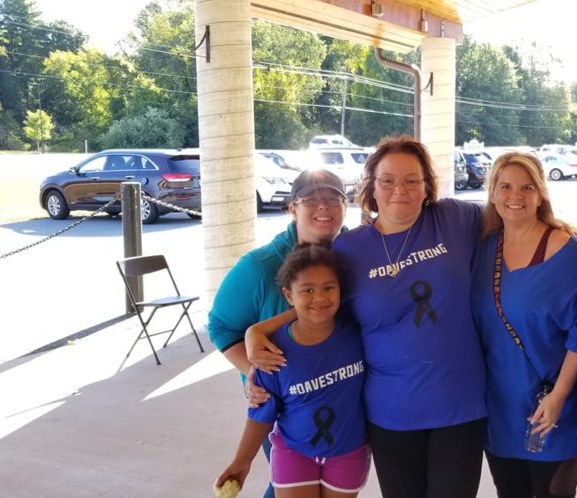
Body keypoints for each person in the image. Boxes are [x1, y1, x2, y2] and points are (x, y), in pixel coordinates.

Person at [250, 136, 487, 498]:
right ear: (371, 188)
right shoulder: (349, 249)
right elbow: (319, 309)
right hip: (391, 411)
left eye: (412, 180)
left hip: (460, 405)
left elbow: (513, 213)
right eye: (387, 180)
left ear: (427, 187)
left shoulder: (455, 218)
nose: (399, 190)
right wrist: (258, 332)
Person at [208, 169, 348, 498]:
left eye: (332, 199)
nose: (323, 207)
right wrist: (253, 372)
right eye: (311, 199)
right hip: (285, 410)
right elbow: (221, 325)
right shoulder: (260, 266)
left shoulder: (353, 256)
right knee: (289, 486)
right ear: (292, 208)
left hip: (340, 404)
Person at [470, 152, 577, 498]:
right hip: (500, 409)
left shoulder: (567, 250)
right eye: (504, 186)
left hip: (551, 409)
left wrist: (560, 395)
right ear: (492, 193)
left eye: (526, 186)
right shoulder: (484, 249)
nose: (514, 196)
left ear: (541, 194)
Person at [216, 244, 370, 498]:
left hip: (348, 453)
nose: (319, 298)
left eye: (329, 288)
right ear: (289, 295)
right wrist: (242, 461)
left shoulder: (358, 333)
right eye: (307, 290)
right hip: (293, 454)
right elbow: (260, 415)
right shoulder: (272, 353)